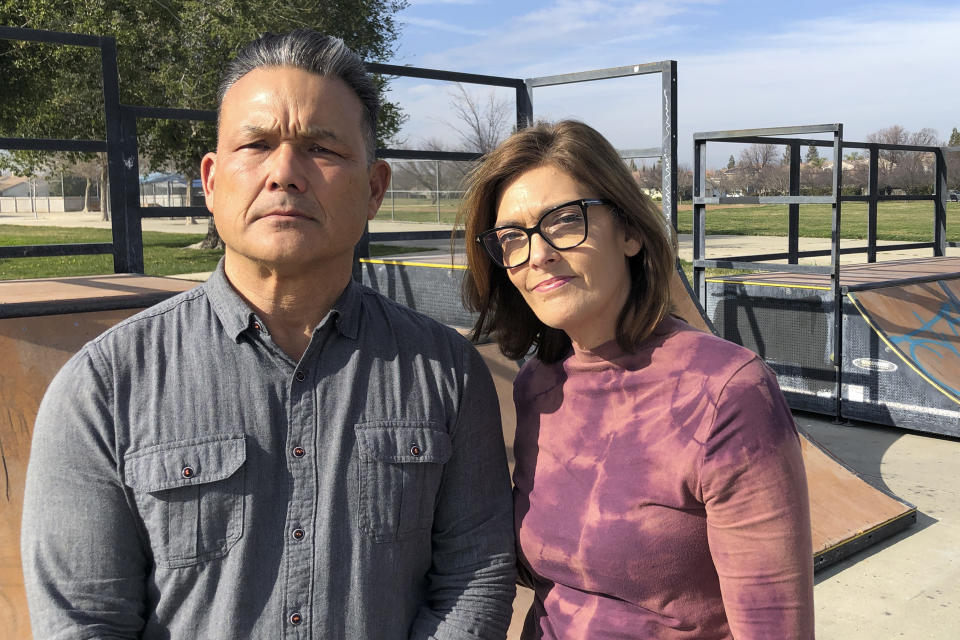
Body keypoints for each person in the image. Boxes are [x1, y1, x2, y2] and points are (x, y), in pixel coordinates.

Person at [21, 30, 516, 639]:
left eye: (322, 149)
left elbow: (475, 576)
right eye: (255, 144)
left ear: (375, 188)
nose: (285, 173)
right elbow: (82, 620)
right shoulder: (105, 387)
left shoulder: (446, 372)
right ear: (210, 180)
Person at [460, 120, 814, 639]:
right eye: (513, 237)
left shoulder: (726, 392)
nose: (537, 254)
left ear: (628, 231)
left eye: (563, 221)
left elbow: (774, 628)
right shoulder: (537, 386)